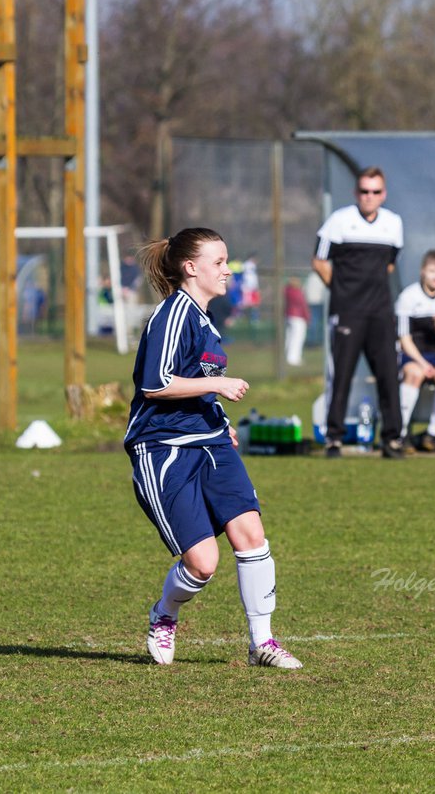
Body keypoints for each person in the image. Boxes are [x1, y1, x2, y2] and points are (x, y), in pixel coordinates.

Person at [125, 227, 302, 670]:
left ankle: (262, 642)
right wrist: (219, 384)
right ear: (191, 268)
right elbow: (156, 384)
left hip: (211, 443)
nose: (228, 270)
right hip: (163, 449)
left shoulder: (204, 320)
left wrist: (220, 421)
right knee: (203, 564)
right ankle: (165, 614)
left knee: (252, 535)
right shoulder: (172, 316)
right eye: (220, 263)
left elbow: (194, 389)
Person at [312, 166, 405, 459]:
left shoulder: (393, 223)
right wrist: (341, 291)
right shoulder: (339, 221)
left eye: (375, 192)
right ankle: (334, 439)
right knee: (341, 376)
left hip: (380, 312)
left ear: (383, 194)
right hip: (347, 312)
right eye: (364, 191)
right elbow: (319, 261)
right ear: (356, 193)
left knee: (389, 375)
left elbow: (390, 263)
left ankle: (392, 439)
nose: (369, 197)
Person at [394, 249, 435, 451]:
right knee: (414, 373)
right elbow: (404, 339)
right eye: (432, 271)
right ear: (423, 271)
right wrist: (422, 364)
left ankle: (433, 433)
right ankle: (400, 432)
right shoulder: (408, 297)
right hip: (410, 354)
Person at [284, 276, 310, 367]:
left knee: (290, 338)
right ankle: (293, 358)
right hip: (298, 317)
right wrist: (307, 317)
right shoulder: (297, 292)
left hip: (289, 316)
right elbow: (302, 305)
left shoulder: (287, 291)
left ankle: (289, 357)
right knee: (297, 338)